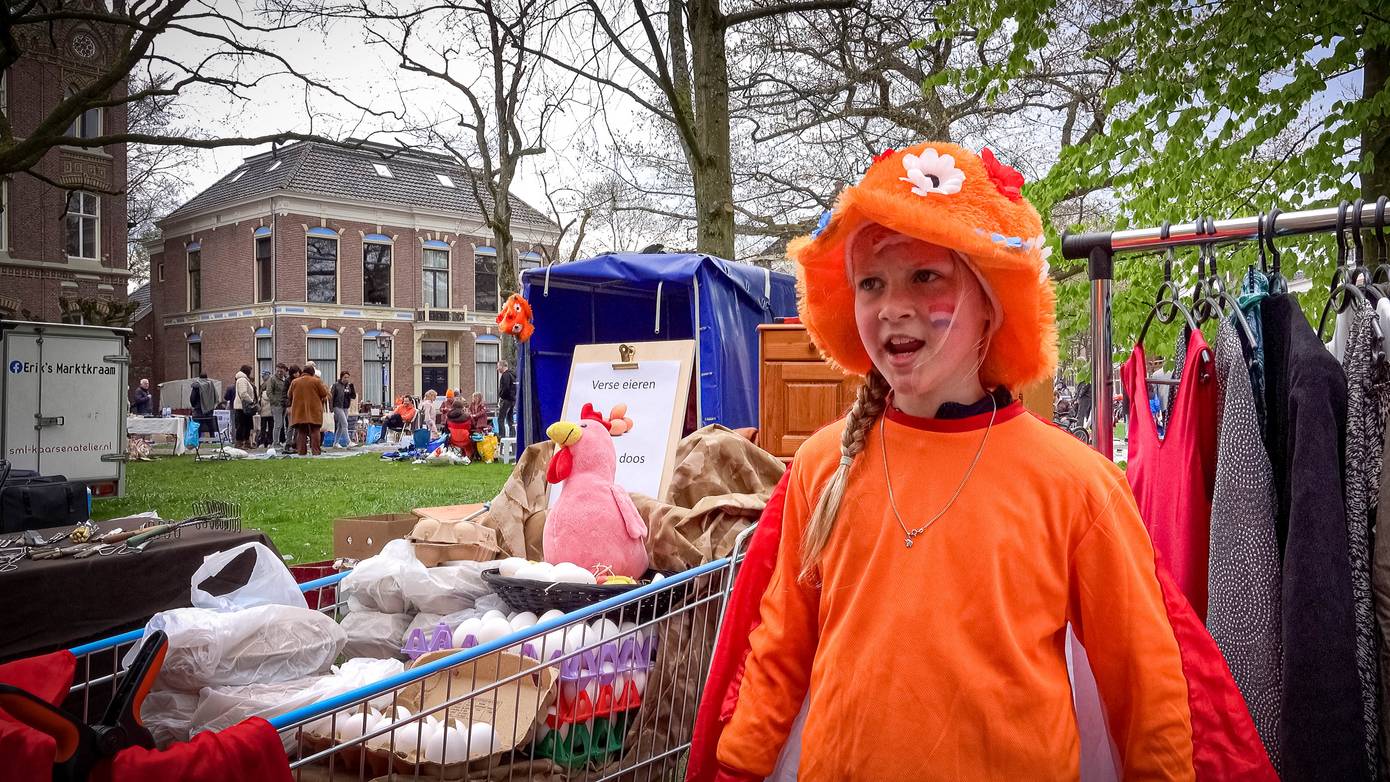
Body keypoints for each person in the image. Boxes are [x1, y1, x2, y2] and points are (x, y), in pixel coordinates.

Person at [711, 143, 1210, 780]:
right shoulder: (821, 465)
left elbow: (1146, 690)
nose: (892, 306)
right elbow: (778, 652)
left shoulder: (1077, 486)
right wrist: (735, 770)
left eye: (926, 276)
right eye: (871, 283)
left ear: (990, 303)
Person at [288, 365, 329, 455]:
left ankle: (301, 452)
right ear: (313, 373)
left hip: (299, 411)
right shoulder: (316, 381)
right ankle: (316, 451)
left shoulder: (295, 382)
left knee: (302, 431)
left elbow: (289, 395)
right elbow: (324, 393)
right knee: (315, 430)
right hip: (314, 410)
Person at [232, 365, 257, 449]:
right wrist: (251, 401)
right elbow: (243, 393)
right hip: (242, 407)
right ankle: (239, 443)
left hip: (244, 407)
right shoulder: (242, 379)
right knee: (242, 425)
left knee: (247, 425)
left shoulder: (244, 379)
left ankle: (247, 442)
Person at [330, 371, 356, 449]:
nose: (346, 379)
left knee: (341, 426)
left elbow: (353, 396)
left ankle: (335, 443)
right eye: (345, 377)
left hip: (345, 407)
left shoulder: (349, 386)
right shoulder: (336, 385)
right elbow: (331, 397)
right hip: (337, 406)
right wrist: (331, 408)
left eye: (348, 377)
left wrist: (352, 388)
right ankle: (348, 442)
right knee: (345, 423)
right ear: (341, 377)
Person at [266, 364, 289, 446]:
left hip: (284, 405)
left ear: (284, 371)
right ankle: (275, 442)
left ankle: (277, 441)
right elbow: (269, 392)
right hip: (277, 405)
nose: (279, 373)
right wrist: (275, 402)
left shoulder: (285, 379)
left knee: (282, 424)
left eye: (281, 371)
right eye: (278, 371)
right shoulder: (272, 379)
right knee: (277, 424)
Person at [497, 360, 516, 438]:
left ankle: (502, 437)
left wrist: (501, 396)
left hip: (506, 400)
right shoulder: (513, 374)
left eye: (498, 367)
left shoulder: (505, 375)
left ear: (502, 366)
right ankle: (512, 436)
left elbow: (505, 388)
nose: (497, 369)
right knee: (510, 419)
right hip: (512, 400)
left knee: (500, 419)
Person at [257, 371, 275, 447]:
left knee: (263, 428)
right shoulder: (272, 387)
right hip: (271, 411)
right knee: (271, 427)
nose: (262, 377)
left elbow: (259, 401)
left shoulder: (262, 387)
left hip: (263, 412)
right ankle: (270, 442)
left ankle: (262, 442)